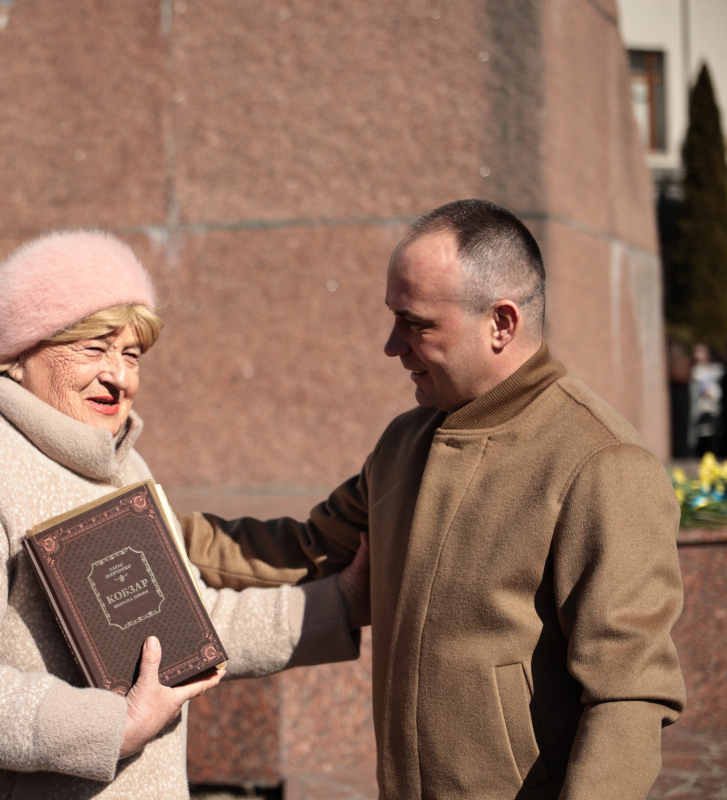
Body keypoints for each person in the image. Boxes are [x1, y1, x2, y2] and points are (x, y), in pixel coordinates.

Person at [182, 199, 686, 799]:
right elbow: (304, 550)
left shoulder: (602, 463)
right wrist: (139, 524)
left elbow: (628, 695)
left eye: (416, 323)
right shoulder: (405, 441)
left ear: (501, 324)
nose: (392, 345)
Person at [0, 229, 368, 800]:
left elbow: (189, 623)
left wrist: (343, 603)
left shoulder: (119, 462)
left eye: (131, 354)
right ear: (18, 352)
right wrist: (111, 728)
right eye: (94, 348)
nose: (120, 376)